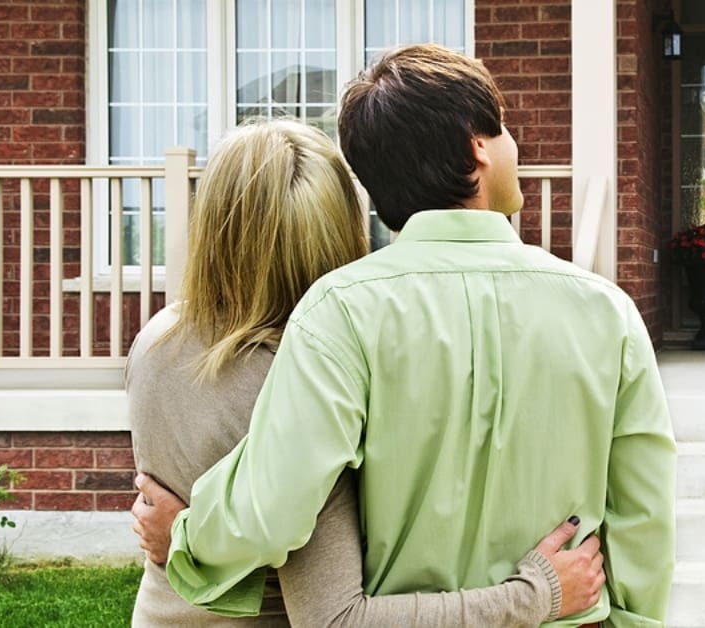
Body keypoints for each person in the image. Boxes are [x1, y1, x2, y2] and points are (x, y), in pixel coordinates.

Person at [157, 44, 677, 627]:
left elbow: (270, 509)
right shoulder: (607, 313)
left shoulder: (339, 311)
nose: (513, 145)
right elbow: (643, 520)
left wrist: (185, 533)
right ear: (477, 149)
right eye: (502, 130)